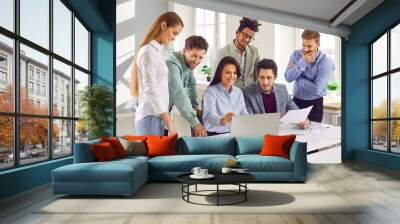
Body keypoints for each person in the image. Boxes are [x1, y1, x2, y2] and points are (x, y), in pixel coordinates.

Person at [130, 12, 183, 136]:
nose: (175, 38)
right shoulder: (148, 51)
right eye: (174, 32)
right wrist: (169, 122)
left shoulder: (157, 52)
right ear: (163, 25)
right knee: (154, 156)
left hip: (156, 116)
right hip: (150, 117)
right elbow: (151, 90)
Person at [243, 59, 309, 129]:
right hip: (259, 133)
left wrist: (304, 120)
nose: (265, 82)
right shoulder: (247, 92)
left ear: (275, 77)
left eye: (269, 78)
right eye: (262, 77)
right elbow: (249, 120)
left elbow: (296, 111)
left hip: (280, 133)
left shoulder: (282, 89)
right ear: (258, 76)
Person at [284, 30, 334, 122]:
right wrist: (303, 62)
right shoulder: (296, 55)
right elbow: (288, 77)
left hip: (314, 105)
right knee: (294, 134)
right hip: (296, 102)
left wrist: (299, 80)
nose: (306, 49)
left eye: (309, 46)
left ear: (318, 44)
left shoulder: (325, 62)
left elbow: (317, 89)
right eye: (303, 45)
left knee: (313, 135)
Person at [166, 35, 208, 137]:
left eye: (201, 57)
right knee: (152, 150)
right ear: (185, 50)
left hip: (164, 112)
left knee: (162, 148)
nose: (197, 61)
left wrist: (194, 106)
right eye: (194, 55)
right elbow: (178, 93)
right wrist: (195, 123)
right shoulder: (171, 63)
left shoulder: (187, 64)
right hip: (151, 113)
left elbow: (190, 85)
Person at [202, 56, 249, 135]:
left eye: (234, 73)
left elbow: (243, 112)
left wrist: (250, 120)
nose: (232, 76)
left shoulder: (238, 92)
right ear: (220, 73)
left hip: (235, 132)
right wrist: (222, 120)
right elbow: (209, 116)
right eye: (228, 72)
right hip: (215, 134)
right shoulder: (210, 92)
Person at [213, 17, 261, 89]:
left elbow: (258, 75)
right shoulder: (222, 52)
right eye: (245, 35)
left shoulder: (255, 51)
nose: (247, 39)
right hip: (231, 94)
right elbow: (215, 76)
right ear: (237, 33)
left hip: (251, 94)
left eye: (250, 37)